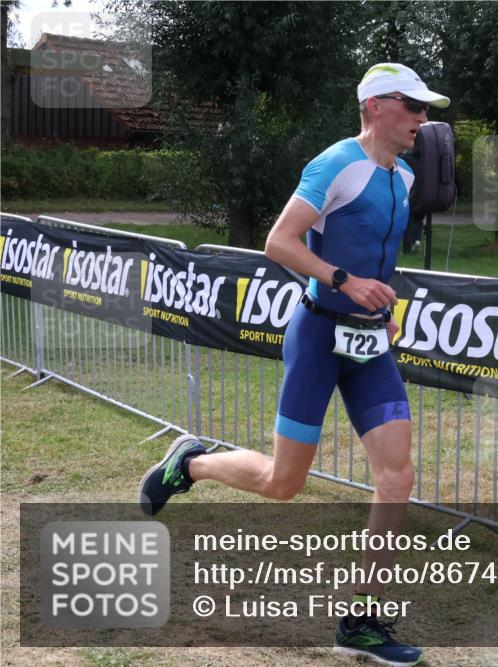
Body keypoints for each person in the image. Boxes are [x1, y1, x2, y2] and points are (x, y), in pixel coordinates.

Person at [137, 62, 448, 667]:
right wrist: (344, 282)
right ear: (378, 106)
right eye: (413, 107)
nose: (422, 119)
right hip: (318, 338)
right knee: (285, 484)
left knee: (397, 477)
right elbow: (279, 242)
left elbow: (378, 258)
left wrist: (382, 303)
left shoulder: (404, 177)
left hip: (370, 347)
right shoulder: (336, 163)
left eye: (424, 109)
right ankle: (192, 463)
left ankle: (360, 620)